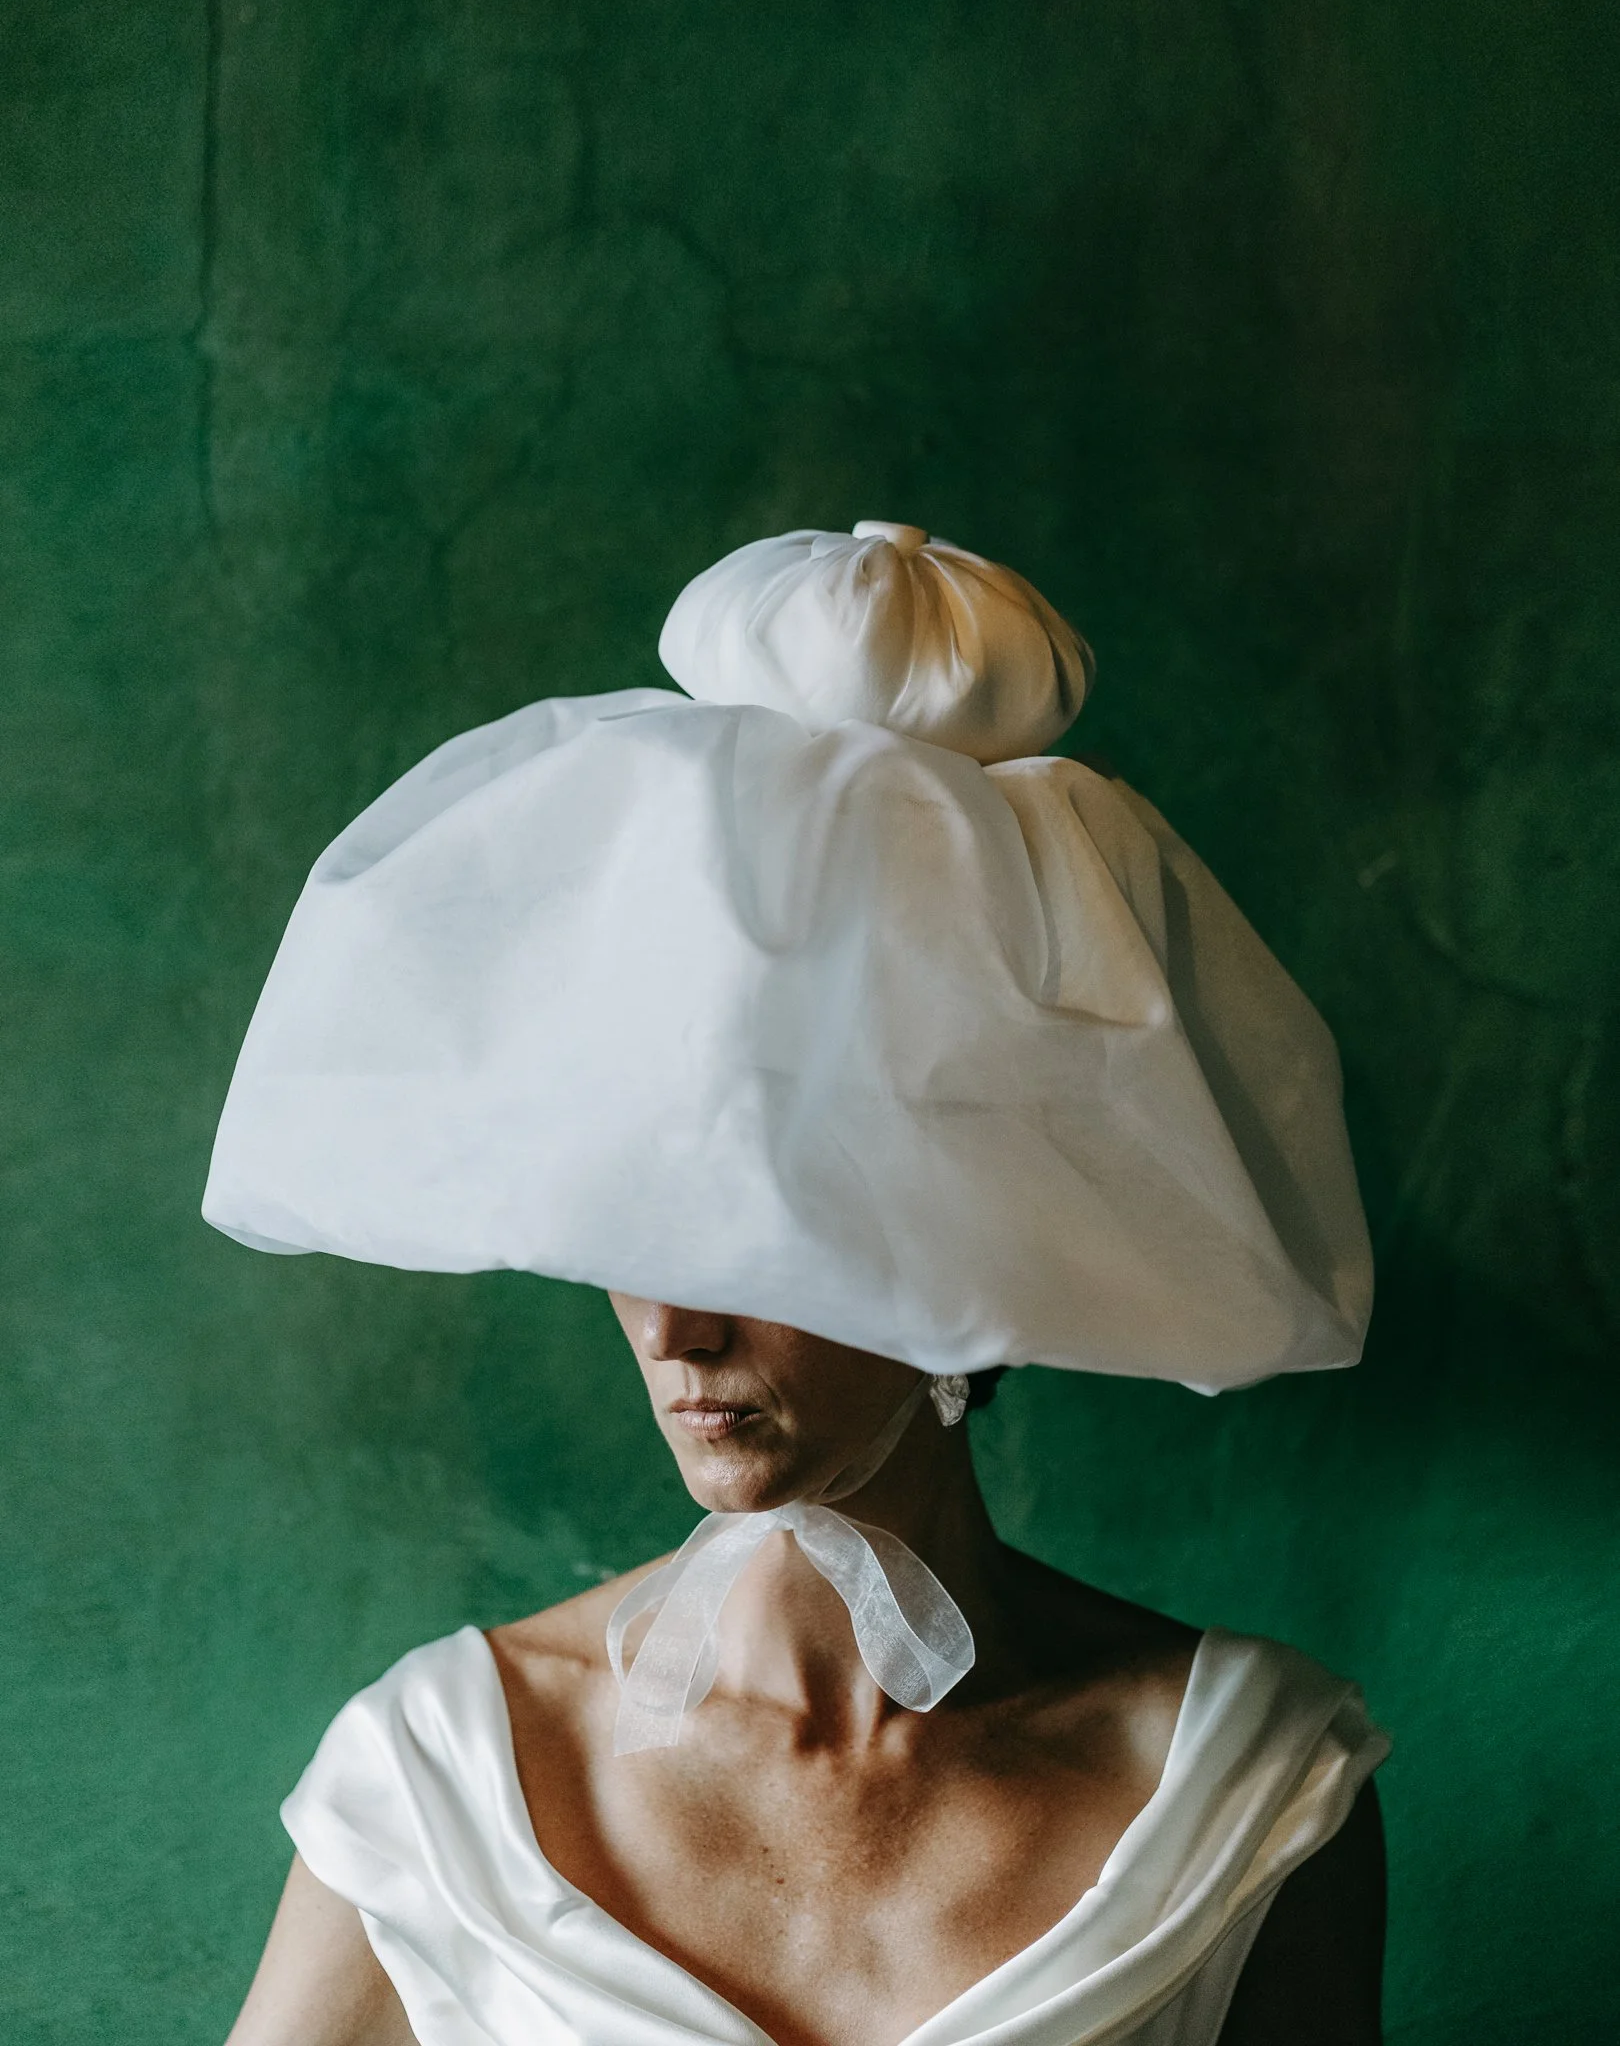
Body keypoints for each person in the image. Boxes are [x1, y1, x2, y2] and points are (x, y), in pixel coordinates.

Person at [208, 525, 1389, 2046]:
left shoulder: (1247, 1781)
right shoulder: (442, 1775)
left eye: (760, 1247)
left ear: (963, 1253)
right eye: (634, 1233)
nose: (669, 1327)